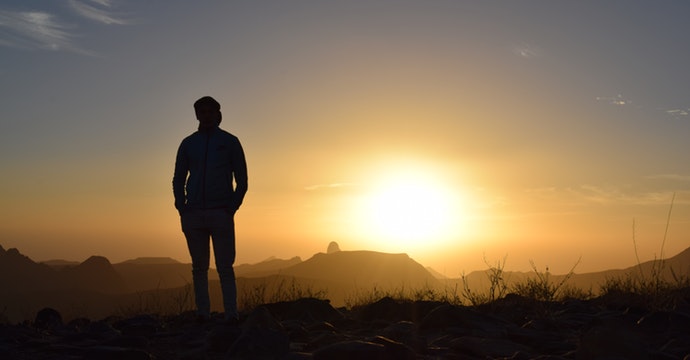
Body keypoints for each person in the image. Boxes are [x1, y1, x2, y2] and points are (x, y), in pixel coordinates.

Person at [172, 96, 248, 322]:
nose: (206, 116)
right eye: (202, 112)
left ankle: (231, 315)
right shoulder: (188, 143)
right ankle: (203, 315)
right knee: (199, 268)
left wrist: (231, 208)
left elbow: (242, 180)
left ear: (217, 114)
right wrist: (182, 207)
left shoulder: (231, 141)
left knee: (225, 268)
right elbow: (178, 177)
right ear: (196, 115)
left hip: (220, 212)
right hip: (193, 213)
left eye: (209, 112)